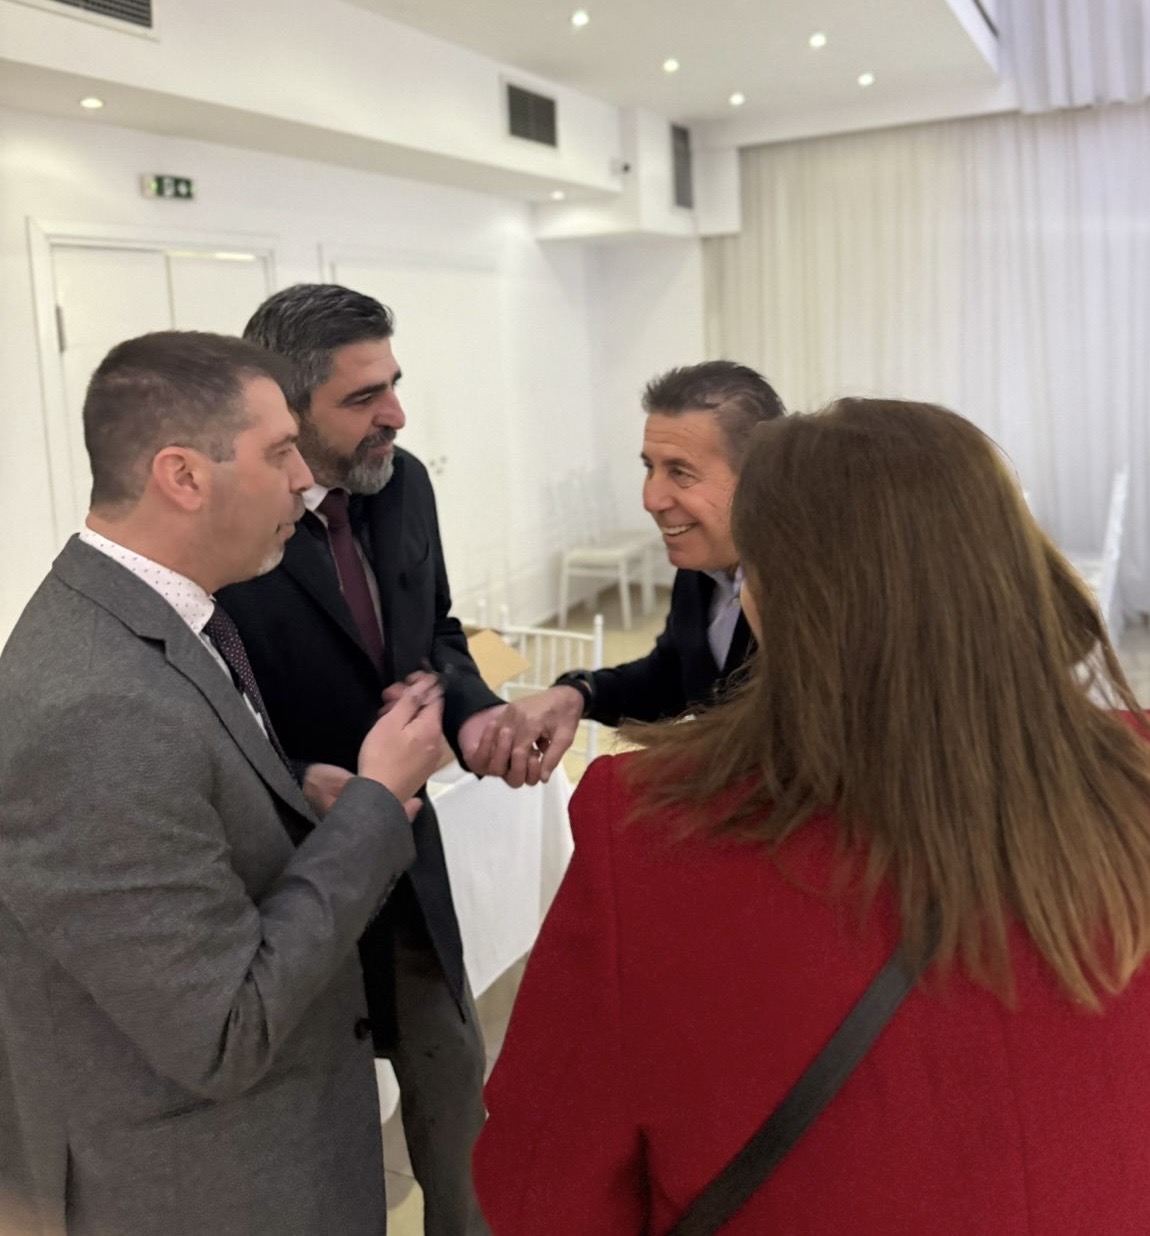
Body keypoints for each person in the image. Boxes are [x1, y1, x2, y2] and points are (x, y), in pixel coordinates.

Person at [473, 398, 1150, 1234]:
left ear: (776, 594)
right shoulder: (1132, 774)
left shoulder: (651, 843)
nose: (655, 497)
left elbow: (542, 1191)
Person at [0, 331, 446, 1236]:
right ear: (183, 476)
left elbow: (167, 798)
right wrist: (371, 809)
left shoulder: (147, 623)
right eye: (279, 453)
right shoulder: (95, 706)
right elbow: (223, 1030)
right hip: (202, 1190)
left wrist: (286, 789)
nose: (303, 480)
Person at [219, 284, 503, 1236]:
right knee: (317, 1139)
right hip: (282, 886)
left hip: (409, 866)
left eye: (394, 383)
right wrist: (299, 775)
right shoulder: (226, 520)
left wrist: (472, 715)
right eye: (363, 397)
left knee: (455, 1111)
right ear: (286, 406)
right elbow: (202, 703)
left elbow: (438, 633)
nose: (397, 414)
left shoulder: (404, 481)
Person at [468, 360, 785, 787]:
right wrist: (579, 694)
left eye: (680, 472)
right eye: (649, 467)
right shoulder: (699, 570)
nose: (651, 498)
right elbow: (671, 678)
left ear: (758, 476)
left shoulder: (813, 595)